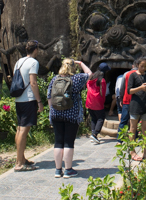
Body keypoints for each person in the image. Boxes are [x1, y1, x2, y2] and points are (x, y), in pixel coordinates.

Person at [47, 58, 92, 178]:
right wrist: (81, 63)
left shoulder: (55, 79)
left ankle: (57, 170)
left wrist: (52, 111)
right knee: (68, 142)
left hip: (56, 114)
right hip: (71, 115)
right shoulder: (76, 79)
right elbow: (89, 73)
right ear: (73, 67)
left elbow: (49, 96)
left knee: (58, 142)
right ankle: (68, 170)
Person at [13, 41, 43, 172]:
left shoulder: (19, 61)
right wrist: (39, 101)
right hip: (28, 99)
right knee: (24, 131)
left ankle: (21, 158)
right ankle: (19, 163)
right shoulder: (33, 63)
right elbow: (33, 83)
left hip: (19, 99)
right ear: (35, 50)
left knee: (20, 129)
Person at [127, 56, 146, 161]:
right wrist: (140, 88)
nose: (144, 68)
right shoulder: (132, 76)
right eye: (142, 66)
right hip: (135, 105)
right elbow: (129, 91)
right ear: (137, 65)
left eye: (145, 66)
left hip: (145, 106)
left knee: (145, 130)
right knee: (133, 129)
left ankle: (145, 152)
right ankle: (132, 152)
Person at [85, 68, 106, 144]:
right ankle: (95, 134)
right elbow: (103, 92)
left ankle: (93, 134)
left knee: (93, 118)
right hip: (98, 102)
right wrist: (103, 101)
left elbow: (88, 85)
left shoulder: (90, 80)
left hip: (89, 101)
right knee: (101, 118)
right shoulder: (102, 80)